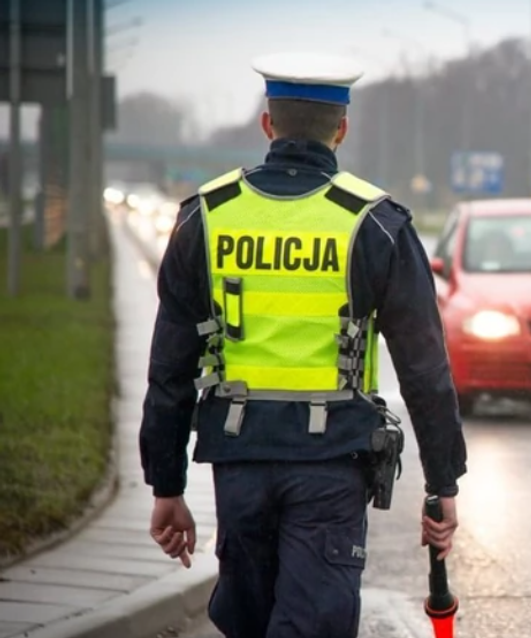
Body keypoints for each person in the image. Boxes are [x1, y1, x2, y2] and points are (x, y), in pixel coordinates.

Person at [138, 51, 467, 637]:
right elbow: (425, 370)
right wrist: (442, 485)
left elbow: (169, 368)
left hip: (238, 462)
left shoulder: (206, 217)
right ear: (342, 129)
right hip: (331, 466)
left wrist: (167, 485)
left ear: (267, 124)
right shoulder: (375, 223)